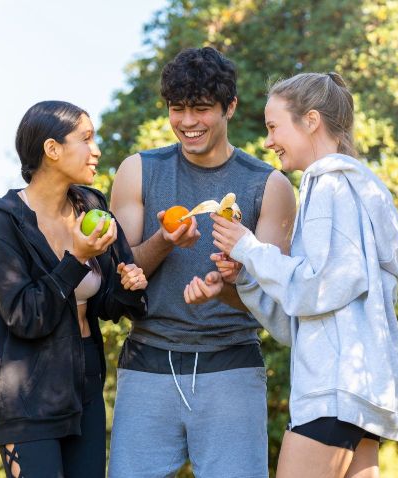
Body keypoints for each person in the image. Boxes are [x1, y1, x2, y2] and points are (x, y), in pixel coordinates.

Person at [185, 72, 398, 478]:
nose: (269, 140)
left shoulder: (328, 186)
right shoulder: (360, 190)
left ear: (310, 120)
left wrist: (249, 247)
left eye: (274, 127)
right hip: (358, 391)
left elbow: (317, 286)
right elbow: (304, 317)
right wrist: (246, 277)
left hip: (332, 391)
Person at [107, 47, 296, 477]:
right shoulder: (137, 171)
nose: (188, 122)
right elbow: (119, 277)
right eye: (178, 109)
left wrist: (227, 287)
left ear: (229, 107)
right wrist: (164, 241)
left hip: (231, 365)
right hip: (147, 362)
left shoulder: (270, 186)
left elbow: (276, 303)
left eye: (201, 109)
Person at [0, 101, 148, 478]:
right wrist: (73, 260)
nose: (96, 150)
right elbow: (24, 316)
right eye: (86, 138)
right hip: (28, 399)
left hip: (86, 382)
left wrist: (130, 287)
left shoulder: (91, 206)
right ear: (52, 150)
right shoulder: (3, 223)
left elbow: (104, 304)